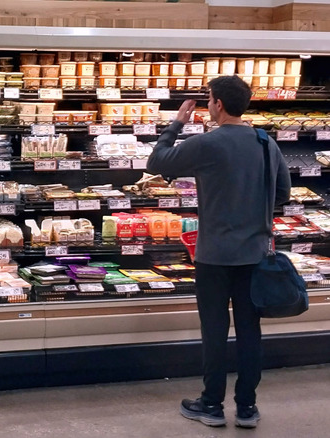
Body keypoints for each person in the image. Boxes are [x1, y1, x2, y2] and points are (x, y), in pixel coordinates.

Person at [146, 75, 291, 428]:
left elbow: (156, 161)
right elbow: (283, 194)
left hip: (214, 255)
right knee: (250, 330)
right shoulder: (265, 142)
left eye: (209, 99)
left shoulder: (208, 143)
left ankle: (211, 405)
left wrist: (177, 123)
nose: (208, 104)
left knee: (214, 330)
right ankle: (247, 408)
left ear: (218, 104)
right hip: (255, 254)